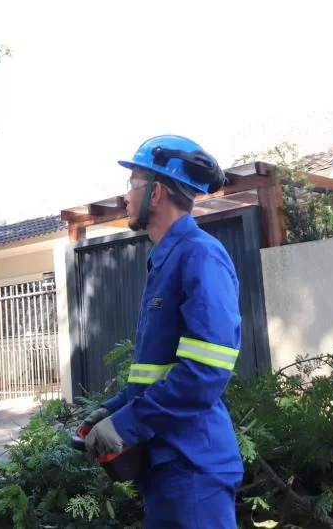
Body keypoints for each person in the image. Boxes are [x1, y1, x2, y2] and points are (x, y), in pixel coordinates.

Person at [82, 134, 243, 528]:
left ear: (156, 192)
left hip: (194, 474)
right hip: (168, 469)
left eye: (132, 184)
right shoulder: (167, 259)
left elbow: (204, 373)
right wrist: (114, 408)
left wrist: (125, 425)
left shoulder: (199, 255)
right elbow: (161, 371)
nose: (124, 197)